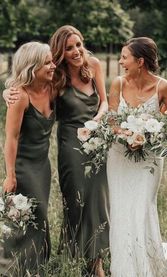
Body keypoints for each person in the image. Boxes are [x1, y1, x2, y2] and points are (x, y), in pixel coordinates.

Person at [3, 25, 110, 276]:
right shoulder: (56, 78)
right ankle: (27, 263)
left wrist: (98, 120)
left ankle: (90, 260)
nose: (76, 51)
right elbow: (14, 128)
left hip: (83, 145)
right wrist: (8, 91)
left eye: (78, 45)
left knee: (94, 202)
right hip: (62, 147)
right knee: (59, 205)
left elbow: (104, 100)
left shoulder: (82, 70)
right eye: (68, 48)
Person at [107, 37, 167, 277]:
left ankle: (149, 268)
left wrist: (147, 136)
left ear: (140, 61)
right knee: (122, 209)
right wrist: (125, 134)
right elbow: (112, 120)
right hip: (118, 157)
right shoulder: (117, 83)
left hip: (149, 159)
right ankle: (124, 269)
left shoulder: (164, 87)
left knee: (142, 207)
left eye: (124, 57)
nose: (120, 61)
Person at [2, 41, 56, 276]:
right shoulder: (20, 97)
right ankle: (10, 268)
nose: (53, 66)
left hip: (43, 167)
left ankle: (36, 267)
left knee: (40, 217)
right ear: (32, 67)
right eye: (47, 62)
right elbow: (11, 139)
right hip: (23, 168)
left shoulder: (53, 88)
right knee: (22, 219)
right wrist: (10, 175)